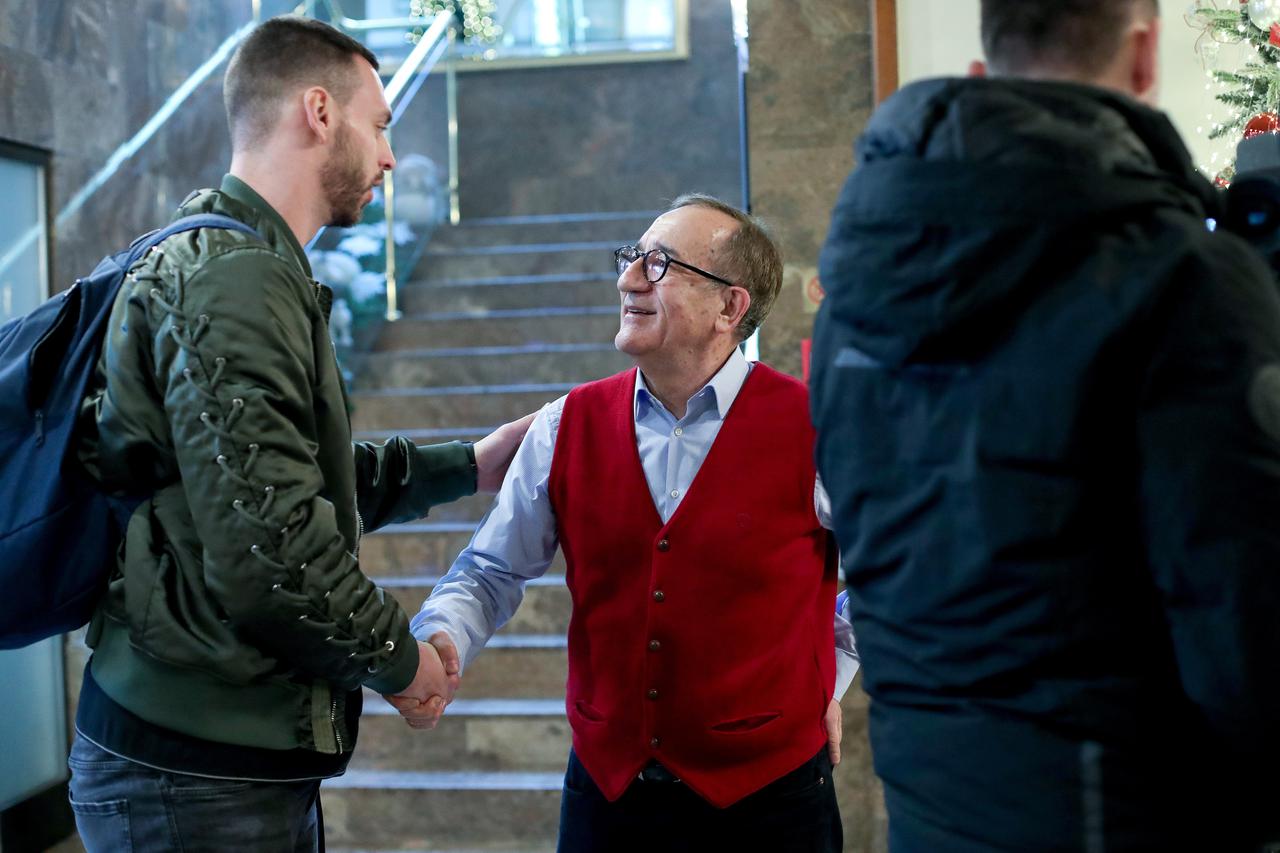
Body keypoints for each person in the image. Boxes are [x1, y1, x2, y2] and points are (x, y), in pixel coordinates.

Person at [812, 0, 1280, 850]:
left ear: (985, 70)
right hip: (1125, 811)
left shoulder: (856, 298)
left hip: (931, 799)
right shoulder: (1183, 277)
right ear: (1144, 56)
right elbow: (1248, 617)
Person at [66, 16, 530, 852]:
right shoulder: (235, 279)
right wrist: (403, 663)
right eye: (379, 125)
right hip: (194, 773)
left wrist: (469, 464)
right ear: (319, 111)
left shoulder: (236, 258)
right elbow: (274, 549)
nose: (390, 156)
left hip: (209, 760)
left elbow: (277, 477)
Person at [390, 194, 858, 853]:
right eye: (631, 258)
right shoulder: (565, 424)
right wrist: (442, 636)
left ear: (730, 307)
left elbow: (893, 578)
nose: (628, 279)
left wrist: (828, 678)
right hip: (607, 796)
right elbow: (491, 569)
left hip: (772, 800)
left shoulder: (819, 429)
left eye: (660, 264)